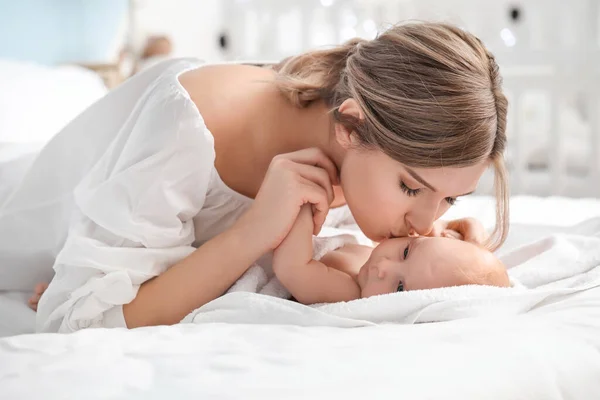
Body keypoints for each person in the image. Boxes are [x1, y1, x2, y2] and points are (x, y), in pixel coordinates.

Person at [0, 21, 508, 333]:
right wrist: (250, 234)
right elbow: (78, 320)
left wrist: (436, 253)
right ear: (352, 126)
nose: (423, 221)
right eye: (412, 188)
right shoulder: (190, 129)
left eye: (449, 201)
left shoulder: (354, 152)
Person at [273, 206, 509, 305]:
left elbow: (292, 268)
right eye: (405, 252)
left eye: (399, 288)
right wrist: (470, 238)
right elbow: (462, 228)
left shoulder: (351, 291)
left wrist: (303, 206)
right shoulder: (397, 247)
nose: (383, 267)